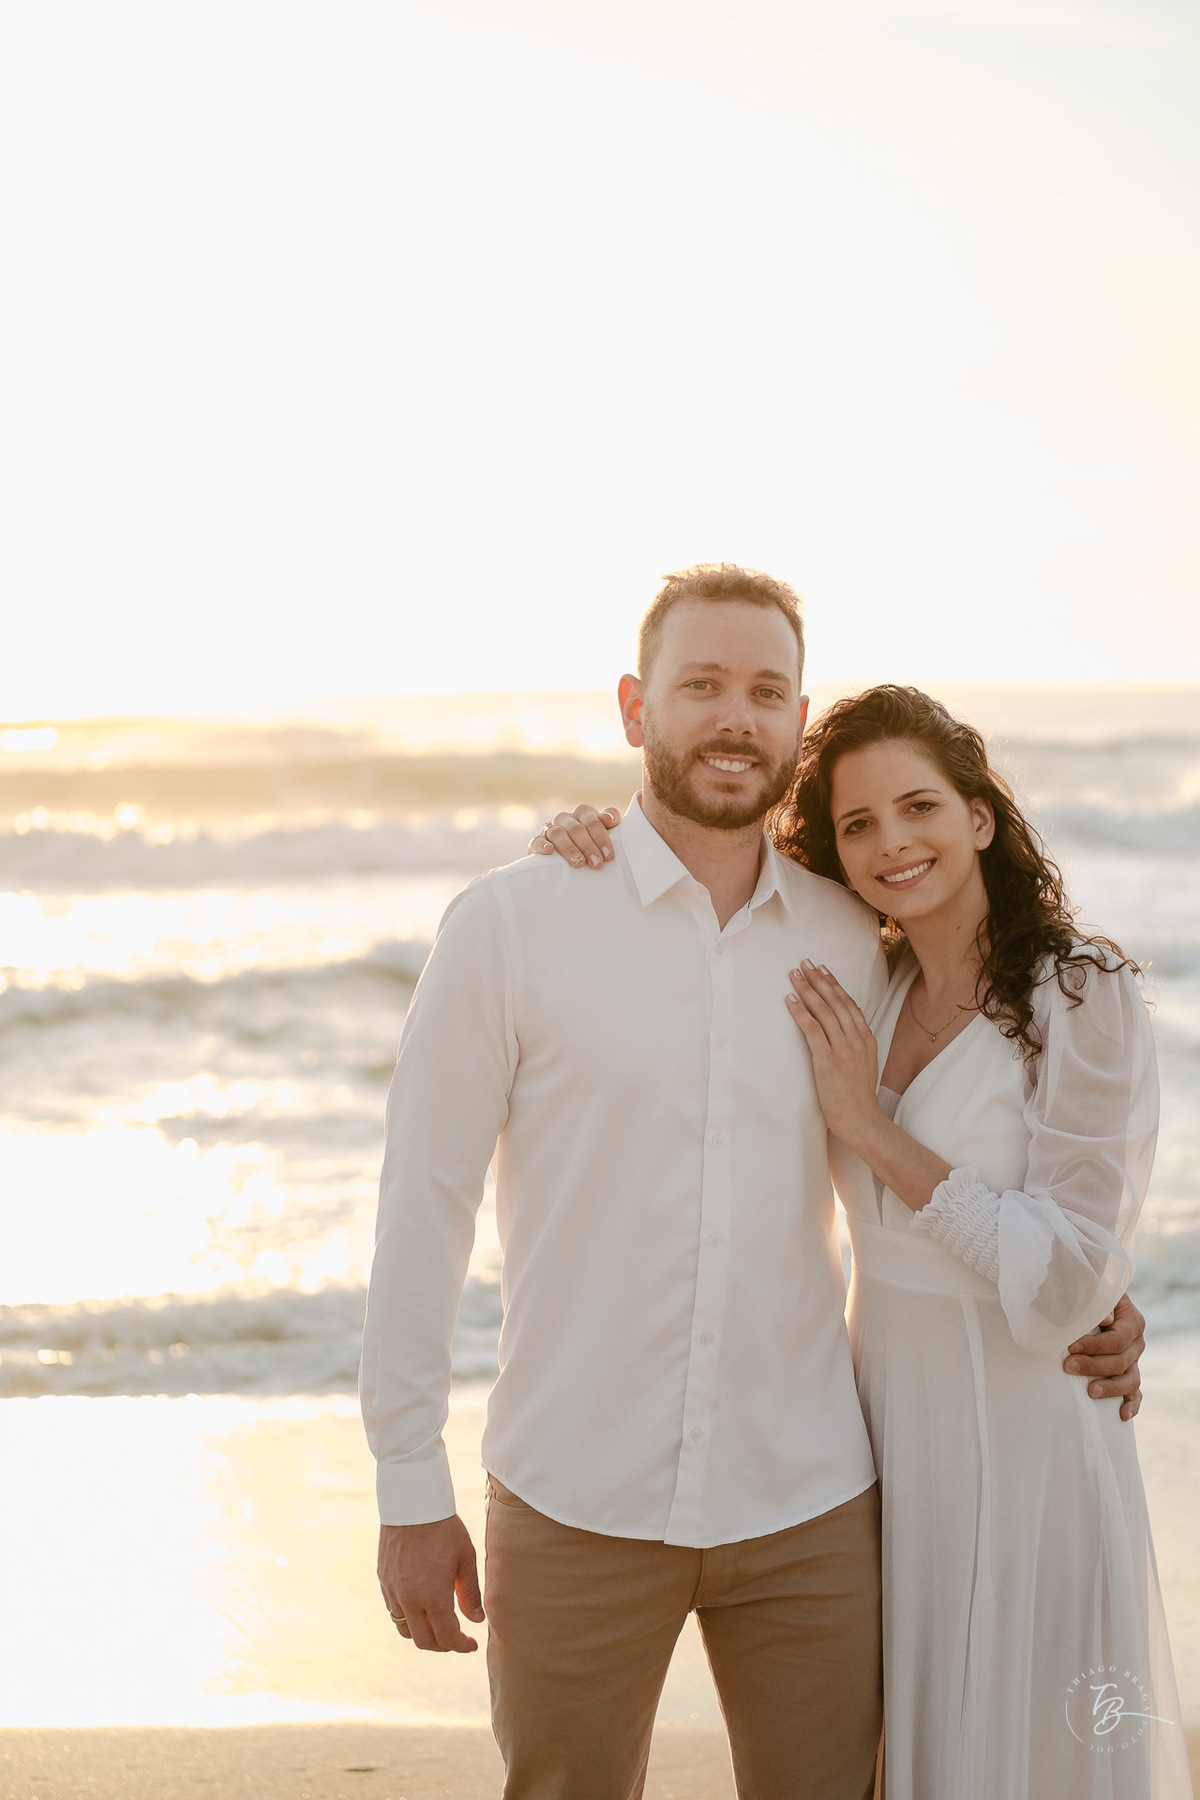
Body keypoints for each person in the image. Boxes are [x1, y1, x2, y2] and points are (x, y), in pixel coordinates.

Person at [361, 564, 1143, 1800]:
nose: (735, 717)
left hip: (813, 1503)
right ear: (635, 707)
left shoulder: (857, 935)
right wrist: (410, 1485)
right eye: (703, 686)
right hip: (576, 1491)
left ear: (795, 721)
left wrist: (1101, 1292)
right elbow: (421, 1215)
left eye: (766, 691)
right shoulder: (513, 924)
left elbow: (994, 1120)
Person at [540, 676, 1186, 1797]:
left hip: (1027, 1428)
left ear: (978, 817)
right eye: (857, 824)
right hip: (884, 1427)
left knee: (1034, 1750)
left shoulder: (1080, 993)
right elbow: (703, 893)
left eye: (921, 807)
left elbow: (1075, 1268)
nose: (894, 842)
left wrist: (871, 1133)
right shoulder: (860, 979)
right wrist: (590, 831)